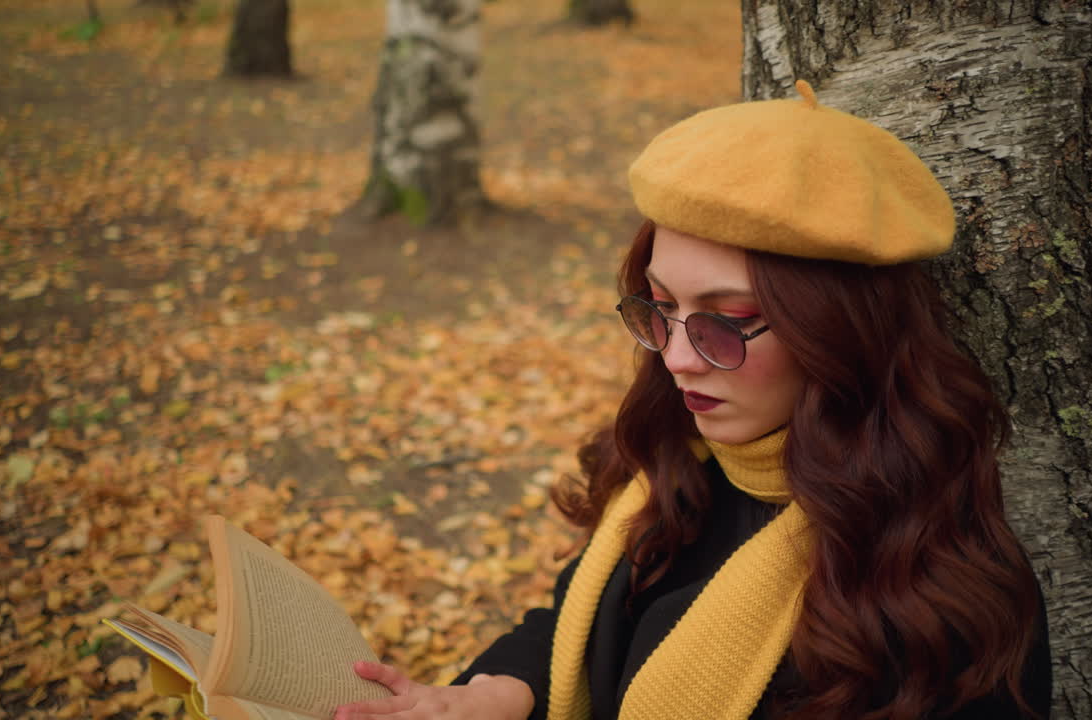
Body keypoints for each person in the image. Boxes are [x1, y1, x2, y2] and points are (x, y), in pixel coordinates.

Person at [334, 80, 1053, 720]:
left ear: (840, 332)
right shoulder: (678, 464)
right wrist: (490, 696)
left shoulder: (934, 603)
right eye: (661, 307)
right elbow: (580, 627)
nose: (676, 359)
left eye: (726, 323)